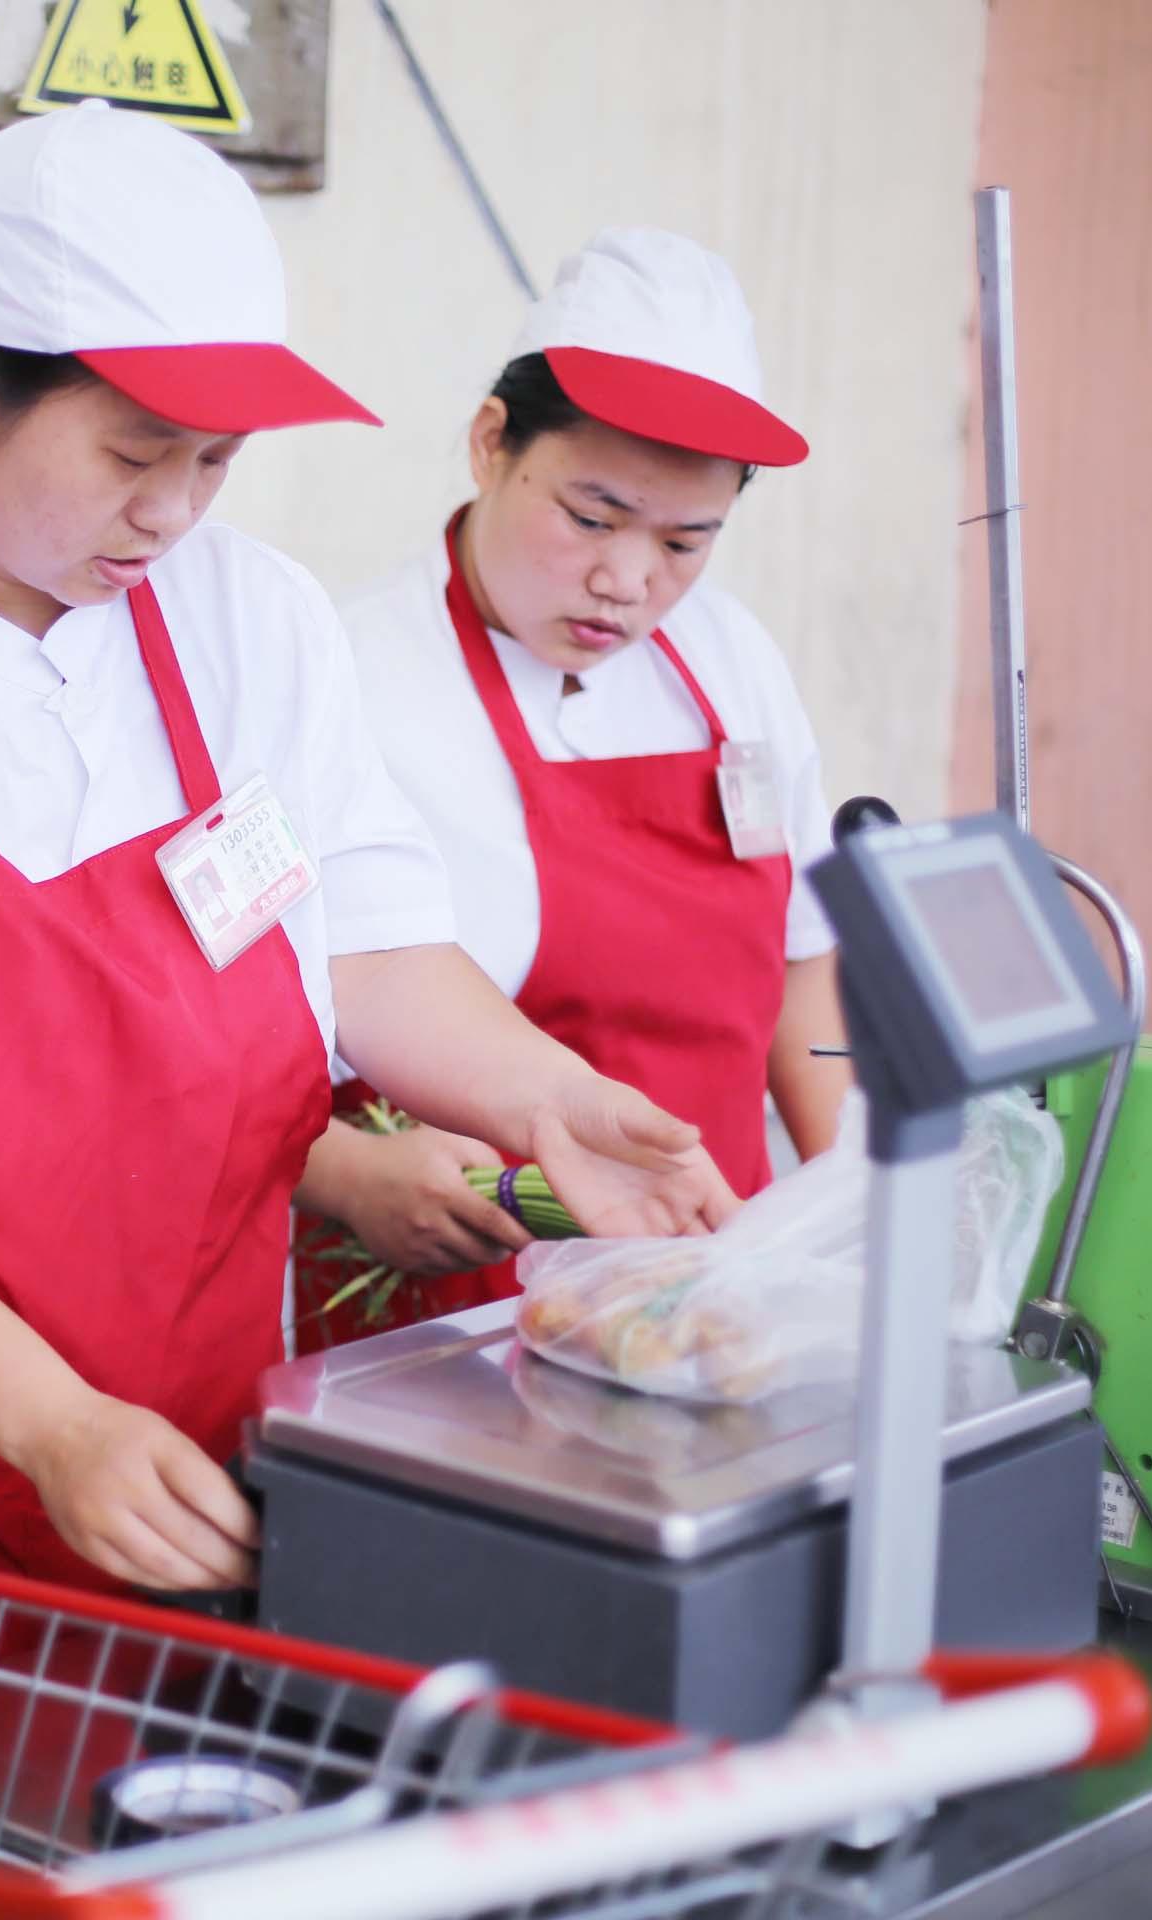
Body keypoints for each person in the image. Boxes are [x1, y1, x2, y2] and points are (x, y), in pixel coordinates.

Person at [0, 107, 739, 1619]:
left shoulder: (253, 625)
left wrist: (549, 1100)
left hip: (194, 1461)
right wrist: (52, 1423)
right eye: (133, 452)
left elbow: (364, 936)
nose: (170, 512)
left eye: (215, 462)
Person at [299, 230, 851, 1343]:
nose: (628, 581)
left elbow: (805, 968)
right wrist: (346, 1175)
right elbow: (230, 1039)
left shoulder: (731, 662)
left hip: (708, 1305)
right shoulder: (345, 676)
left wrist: (855, 1213)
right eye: (591, 519)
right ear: (491, 443)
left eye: (687, 542)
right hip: (447, 1317)